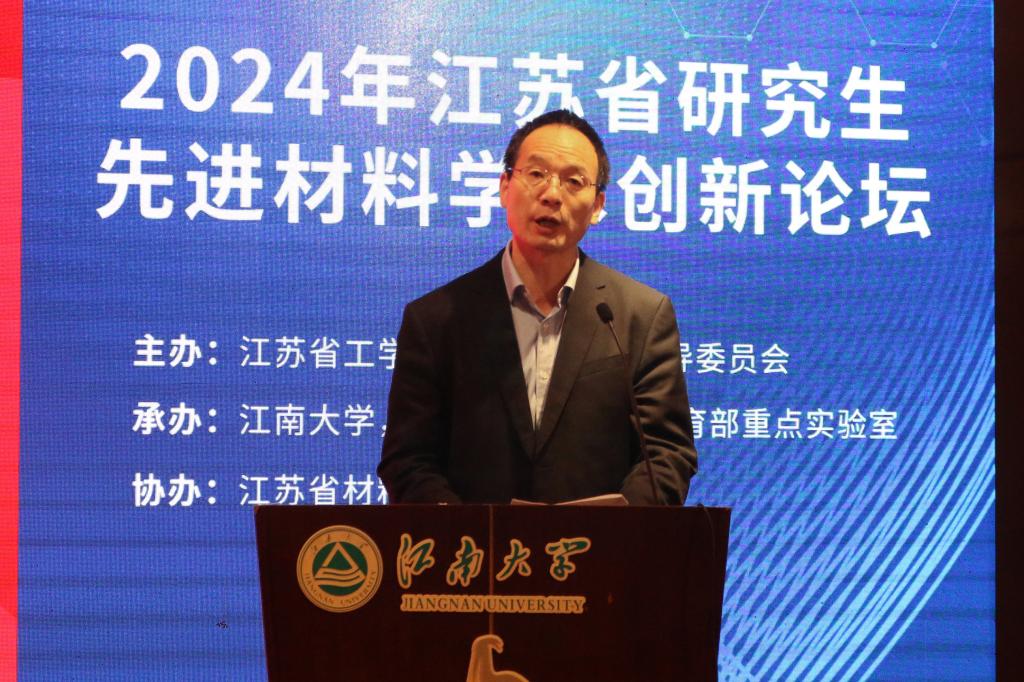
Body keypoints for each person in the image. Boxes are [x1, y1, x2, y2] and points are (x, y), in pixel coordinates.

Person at [378, 110, 696, 505]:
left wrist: (617, 529)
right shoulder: (436, 320)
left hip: (600, 545)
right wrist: (465, 532)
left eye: (574, 181)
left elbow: (666, 455)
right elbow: (408, 461)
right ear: (504, 186)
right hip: (474, 545)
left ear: (597, 205)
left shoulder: (640, 316)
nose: (552, 194)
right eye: (536, 174)